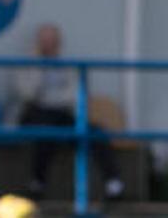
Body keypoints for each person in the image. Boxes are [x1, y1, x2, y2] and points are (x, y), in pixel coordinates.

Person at [14, 24, 124, 200]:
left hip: (62, 114)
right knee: (45, 131)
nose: (49, 45)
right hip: (35, 114)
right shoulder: (27, 64)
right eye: (44, 41)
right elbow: (27, 93)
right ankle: (37, 185)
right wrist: (39, 65)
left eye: (52, 41)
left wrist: (50, 97)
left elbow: (75, 94)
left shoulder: (69, 65)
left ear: (59, 42)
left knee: (95, 132)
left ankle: (114, 184)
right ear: (38, 43)